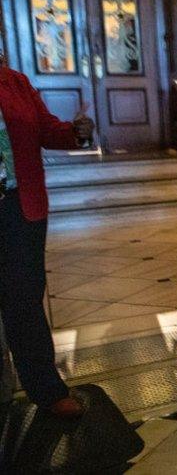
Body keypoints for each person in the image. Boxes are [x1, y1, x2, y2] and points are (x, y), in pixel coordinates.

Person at [0, 65, 94, 418]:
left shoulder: (15, 82)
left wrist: (75, 133)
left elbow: (46, 130)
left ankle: (48, 391)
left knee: (25, 303)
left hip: (18, 208)